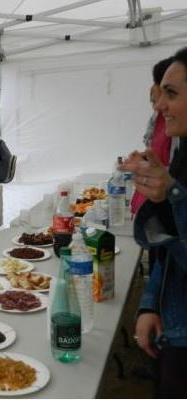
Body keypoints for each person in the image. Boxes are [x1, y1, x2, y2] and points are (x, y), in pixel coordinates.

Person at [123, 46, 187, 398]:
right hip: (174, 325)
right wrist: (150, 303)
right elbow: (167, 245)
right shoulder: (183, 152)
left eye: (171, 93)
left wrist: (172, 194)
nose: (160, 105)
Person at [131, 57, 175, 215]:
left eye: (171, 94)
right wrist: (142, 161)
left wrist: (167, 182)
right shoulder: (159, 118)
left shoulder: (176, 125)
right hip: (152, 204)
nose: (158, 105)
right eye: (154, 101)